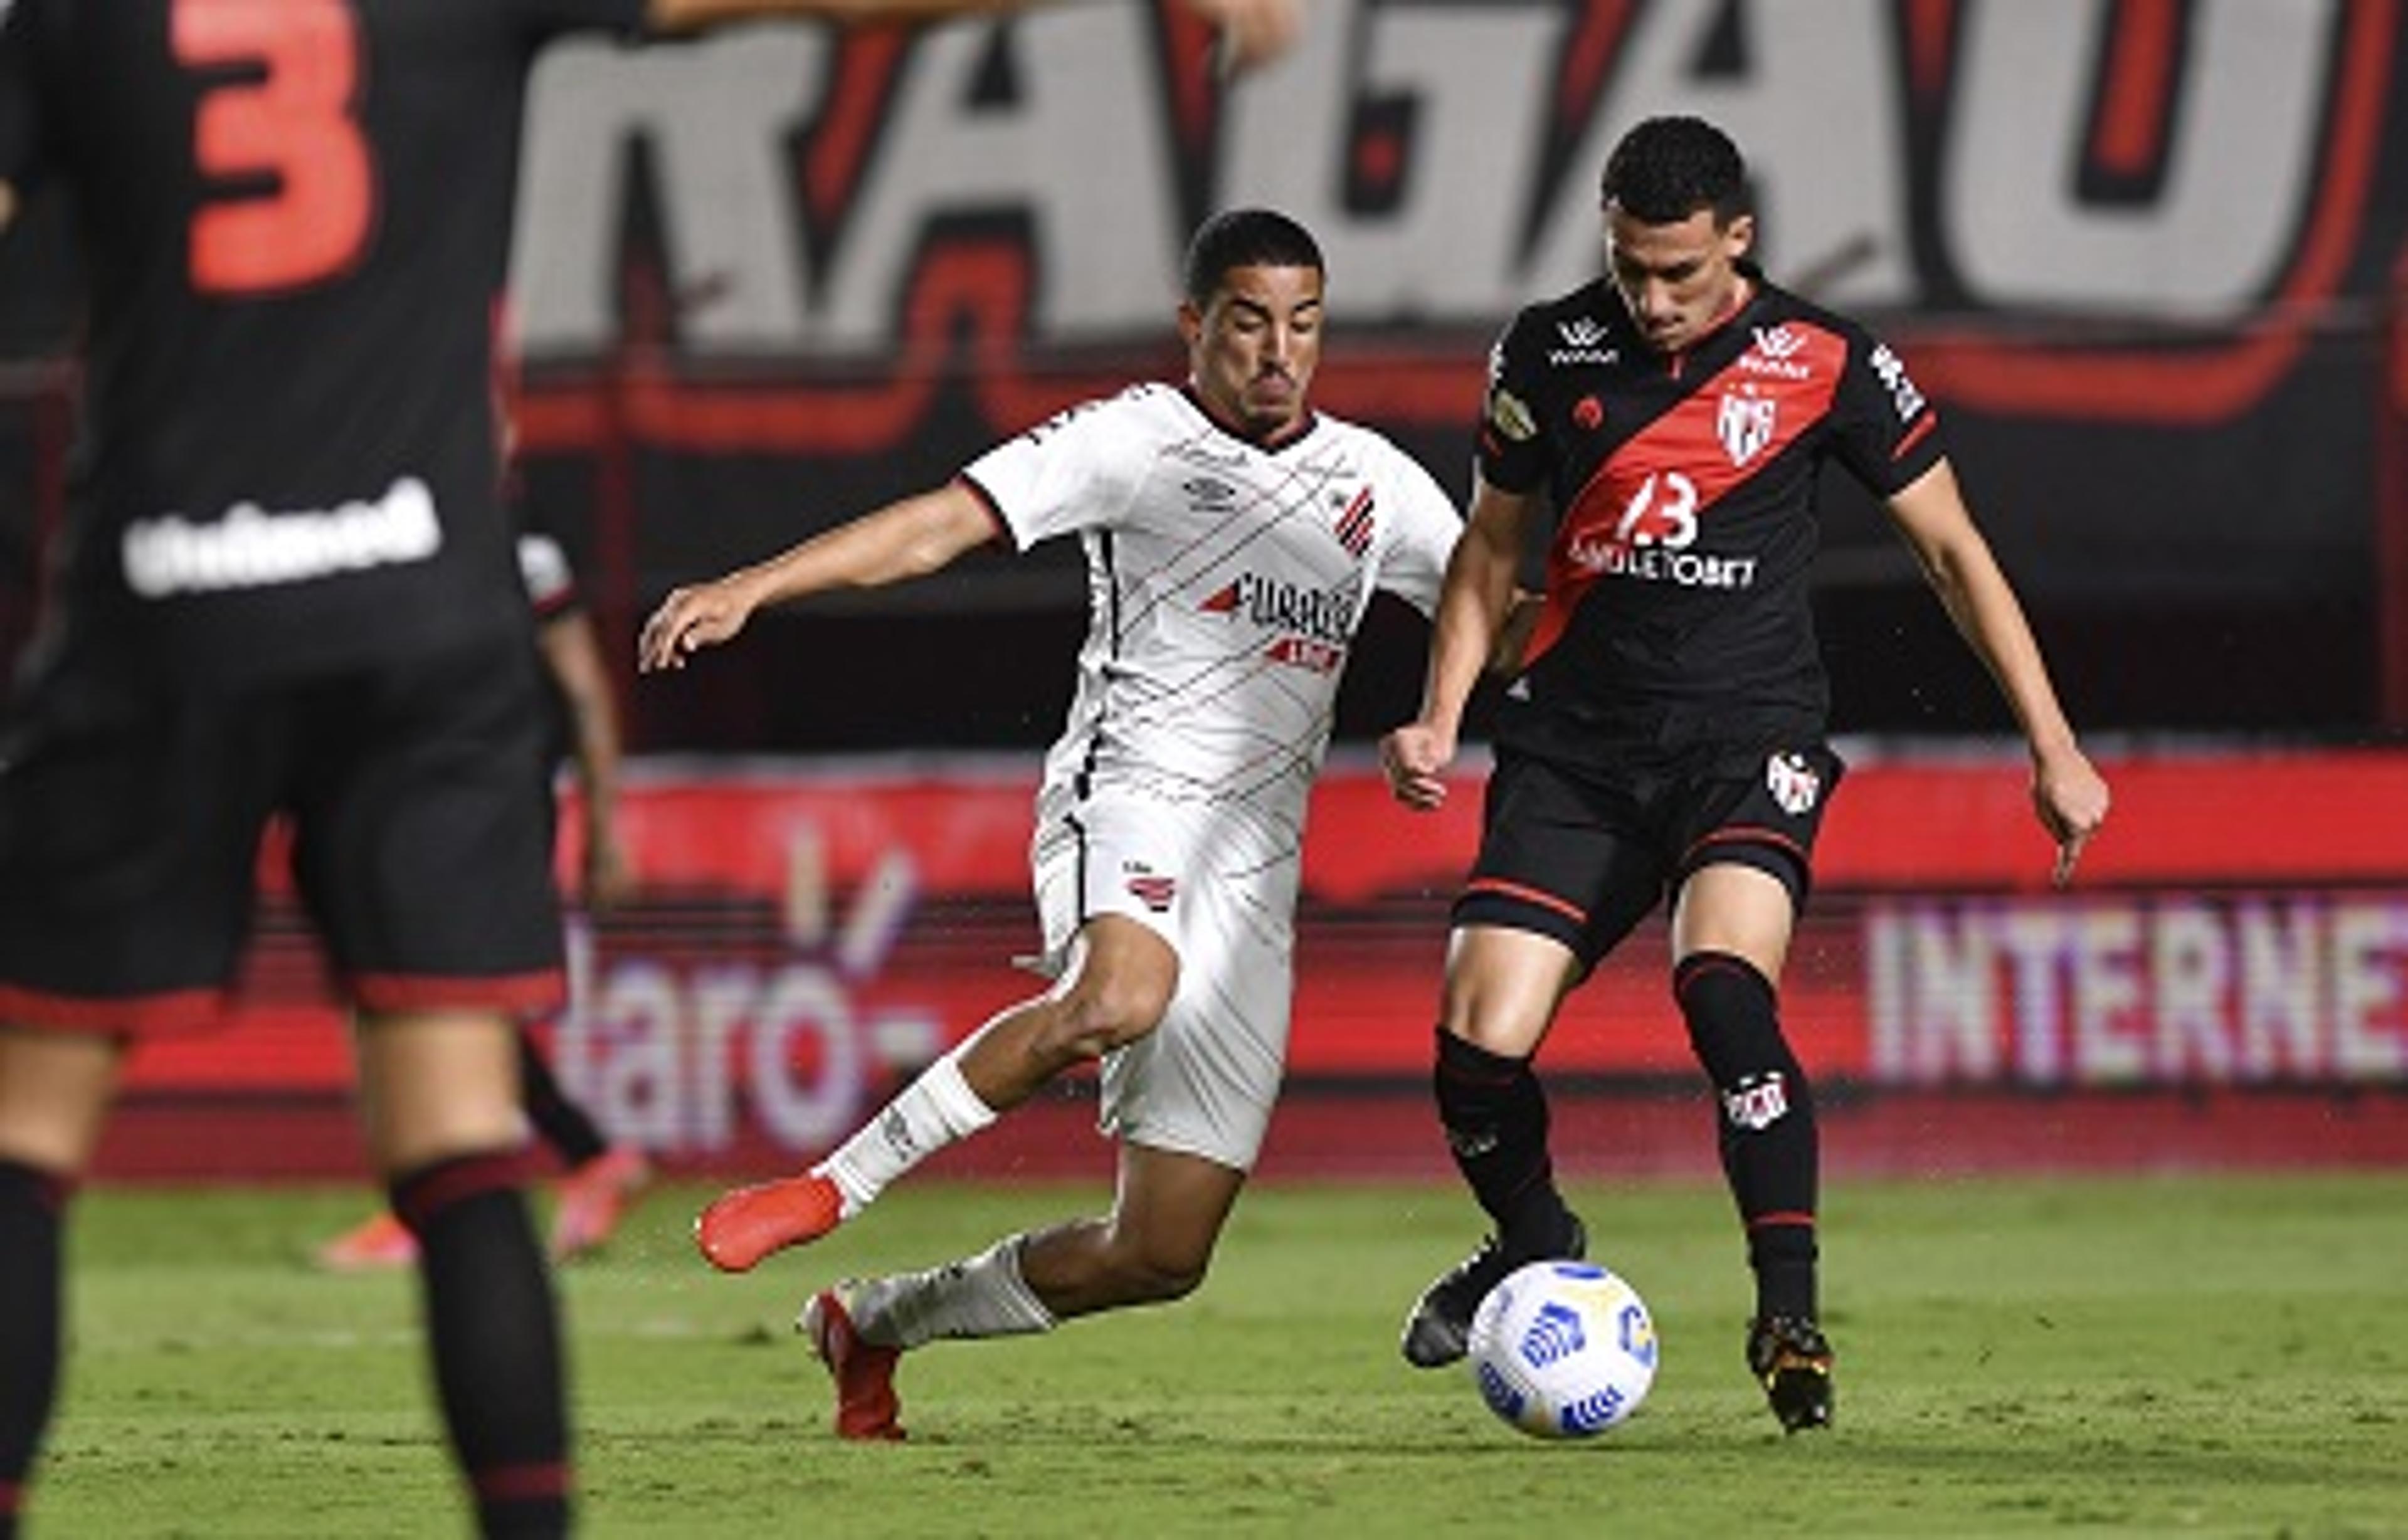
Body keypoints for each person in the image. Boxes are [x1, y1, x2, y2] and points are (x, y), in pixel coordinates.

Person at [0, 3, 1301, 1537]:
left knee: (27, 1134)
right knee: (459, 1144)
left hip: (163, 606)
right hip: (420, 619)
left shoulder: (75, 22)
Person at [638, 208, 1463, 1443]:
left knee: (1162, 1251)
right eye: (1248, 321)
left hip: (1253, 870)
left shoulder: (1376, 483)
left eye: (1303, 323)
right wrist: (753, 586)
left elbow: (1495, 601)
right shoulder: (1135, 438)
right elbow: (937, 523)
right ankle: (828, 1184)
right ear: (1196, 327)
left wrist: (1440, 714)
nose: (1279, 351)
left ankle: (875, 1321)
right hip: (1126, 791)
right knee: (1118, 992)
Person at [1376, 116, 2112, 1433]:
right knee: (1474, 1050)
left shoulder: (1828, 362)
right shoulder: (1548, 348)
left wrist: (2053, 747)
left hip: (1744, 745)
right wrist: (1437, 716)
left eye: (1680, 274)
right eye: (1629, 269)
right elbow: (1492, 551)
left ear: (1739, 240)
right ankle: (1536, 1244)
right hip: (1577, 751)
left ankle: (1788, 1314)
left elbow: (1954, 552)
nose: (1653, 303)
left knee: (1722, 988)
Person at [315, 508, 653, 1272]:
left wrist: (604, 826)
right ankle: (575, 1161)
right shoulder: (373, 536)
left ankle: (445, 1197)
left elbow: (586, 693)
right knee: (422, 991)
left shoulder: (520, 553)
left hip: (485, 806)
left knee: (436, 991)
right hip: (393, 800)